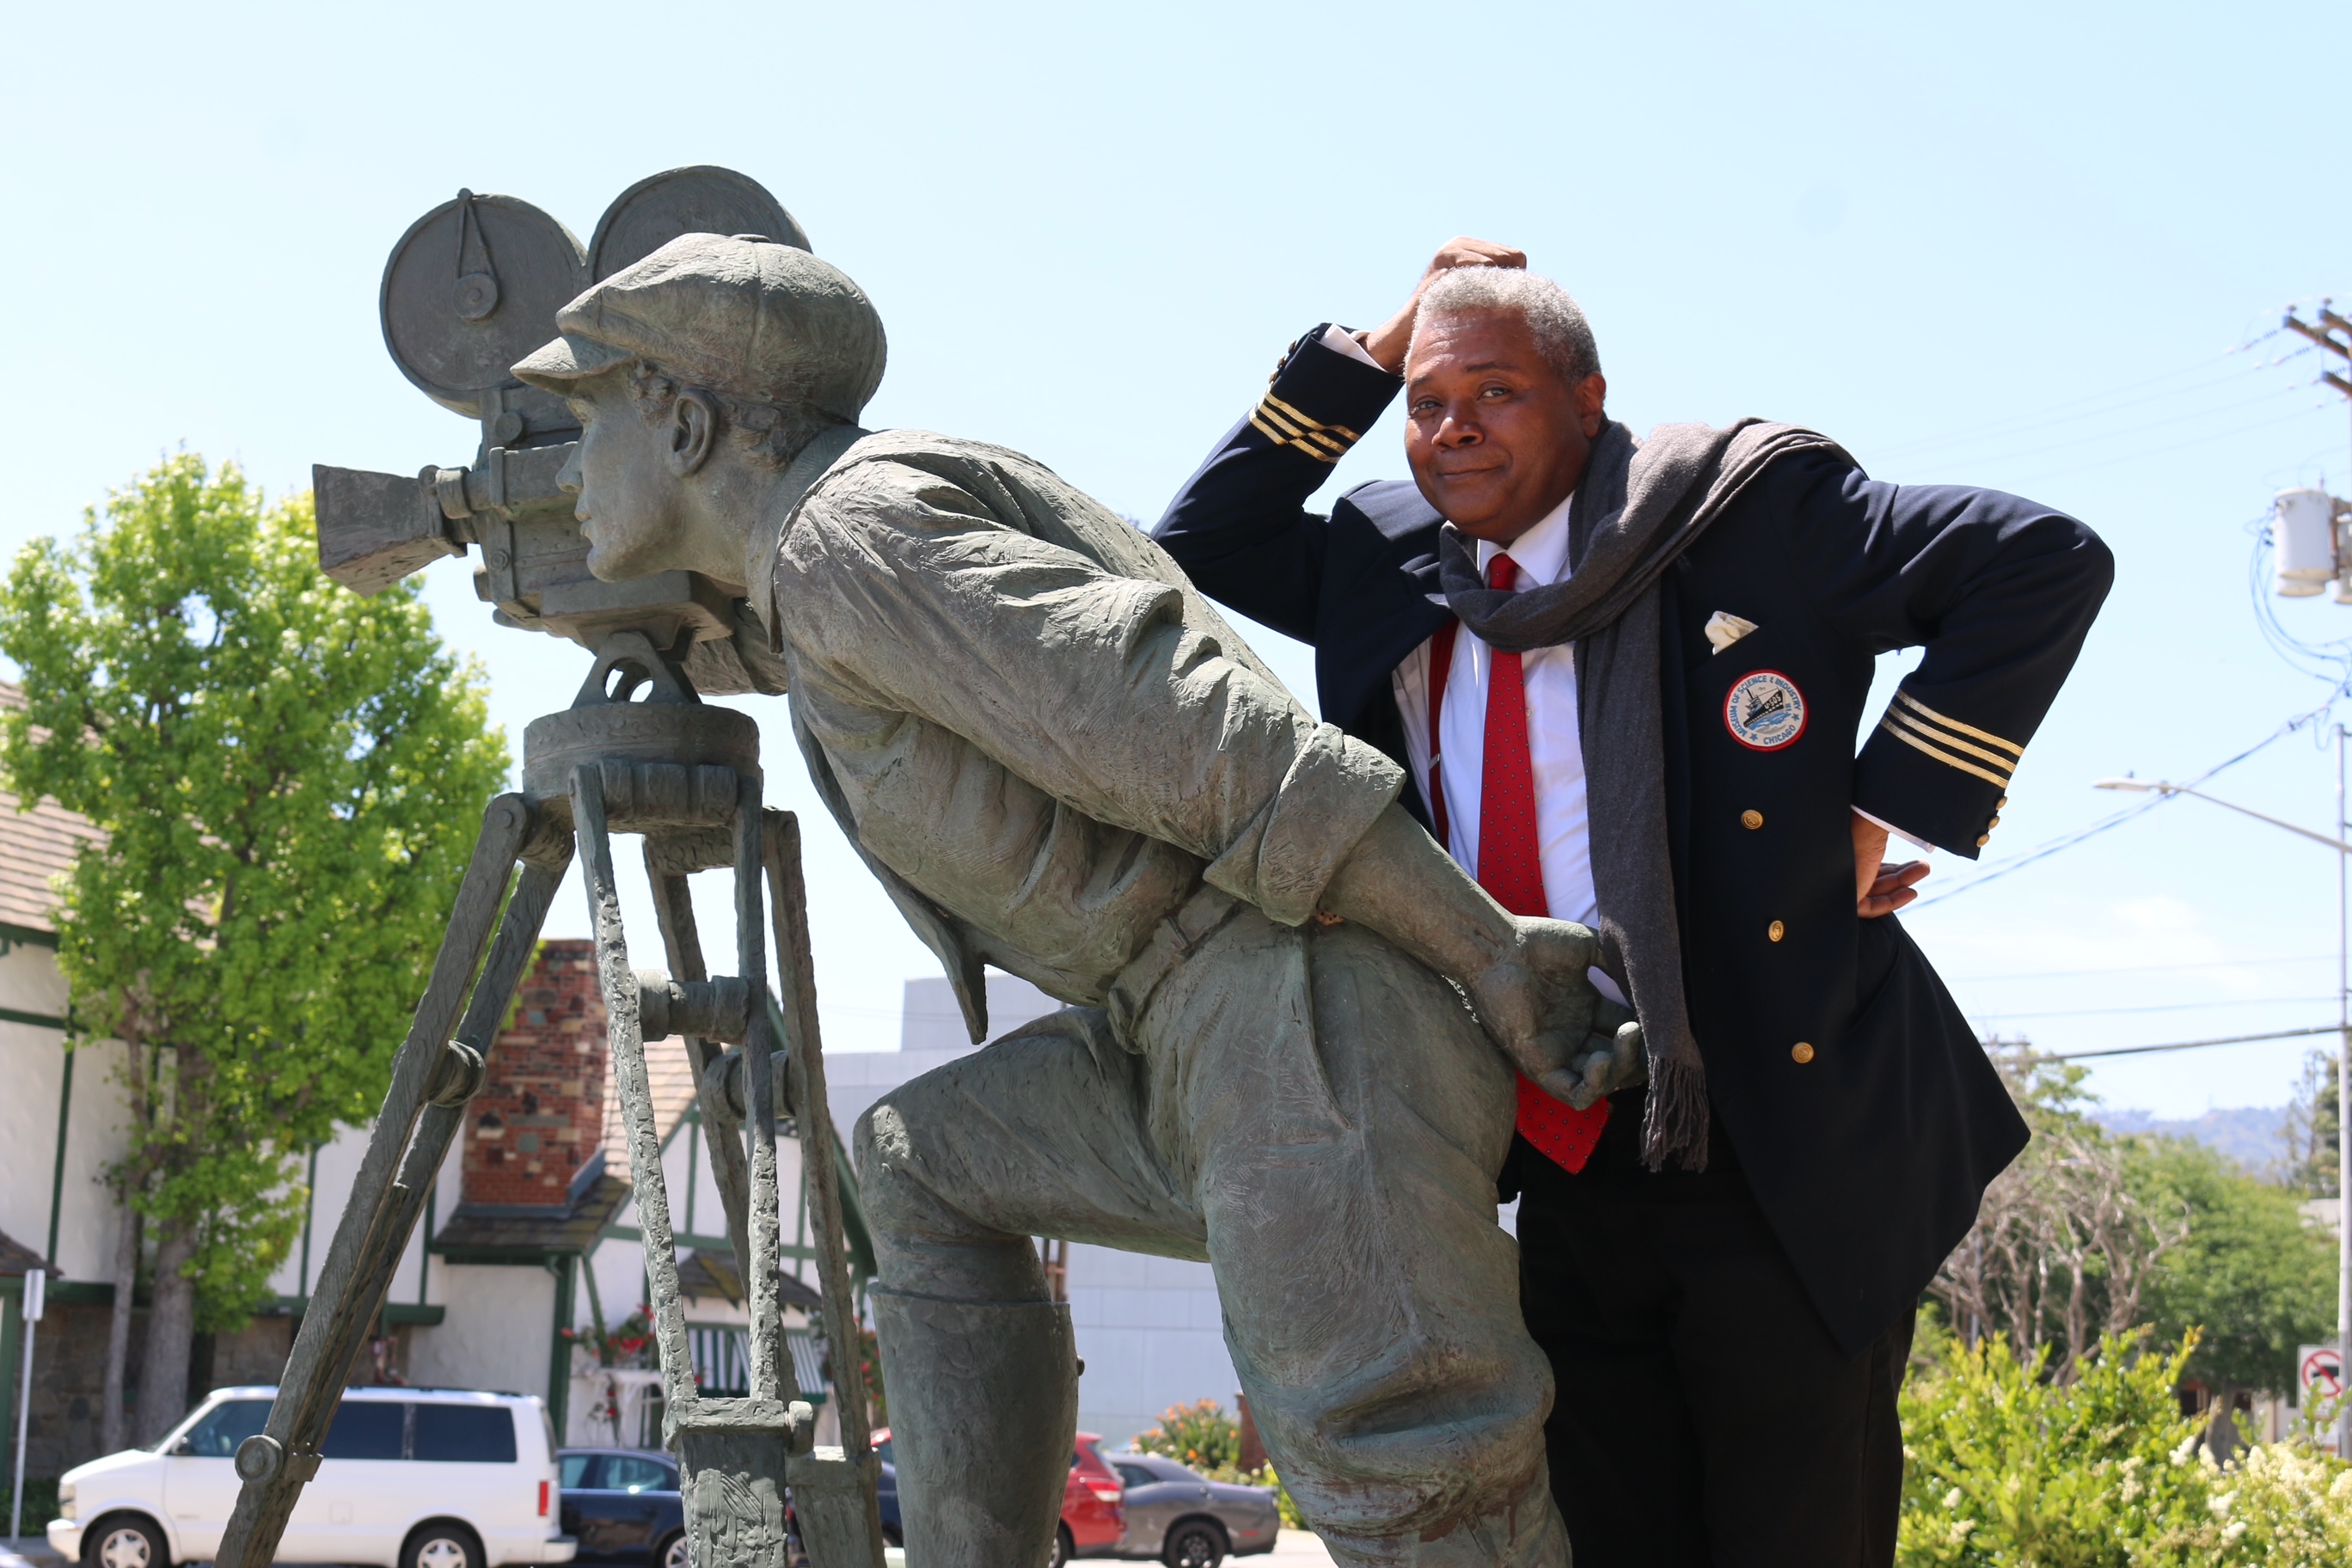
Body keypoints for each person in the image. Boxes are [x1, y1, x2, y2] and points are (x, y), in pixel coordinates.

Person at [511, 234, 1634, 1568]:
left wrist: (1490, 953)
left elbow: (1199, 736)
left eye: (586, 423)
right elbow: (771, 641)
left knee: (1410, 1471)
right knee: (924, 1166)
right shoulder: (824, 565)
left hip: (1298, 1017)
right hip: (1181, 1022)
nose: (565, 471)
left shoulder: (855, 539)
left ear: (688, 421)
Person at [1151, 242, 2113, 1567]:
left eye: (1494, 391)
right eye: (1429, 402)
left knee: (1795, 1535)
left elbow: (2041, 559)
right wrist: (1378, 349)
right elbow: (1202, 541)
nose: (1452, 430)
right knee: (1608, 1535)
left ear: (1588, 398)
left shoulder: (1742, 519)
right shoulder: (1393, 559)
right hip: (1556, 1135)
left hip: (1772, 1125)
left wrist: (1873, 809)